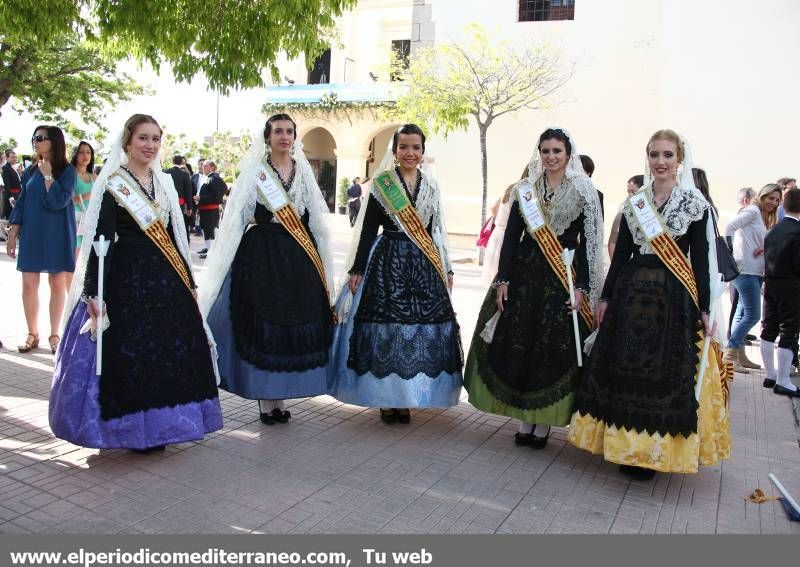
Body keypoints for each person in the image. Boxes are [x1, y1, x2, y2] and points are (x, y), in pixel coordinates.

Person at [49, 114, 222, 452]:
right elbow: (101, 240)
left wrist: (188, 280)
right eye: (143, 138)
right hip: (126, 279)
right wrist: (92, 292)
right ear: (127, 141)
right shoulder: (114, 183)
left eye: (156, 139)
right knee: (130, 354)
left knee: (165, 354)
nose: (150, 145)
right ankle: (129, 431)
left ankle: (163, 428)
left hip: (165, 279)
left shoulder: (166, 182)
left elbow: (175, 238)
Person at [568, 129, 730, 479]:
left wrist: (705, 307)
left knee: (663, 371)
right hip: (630, 293)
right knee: (624, 368)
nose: (660, 162)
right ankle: (625, 447)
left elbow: (701, 261)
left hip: (672, 299)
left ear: (679, 160)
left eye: (667, 155)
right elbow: (621, 256)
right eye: (654, 154)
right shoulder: (634, 204)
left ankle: (652, 452)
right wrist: (607, 297)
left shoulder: (695, 206)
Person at [464, 128, 604, 448]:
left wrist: (582, 286)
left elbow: (589, 246)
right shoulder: (525, 190)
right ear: (538, 153)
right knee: (522, 345)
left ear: (569, 154)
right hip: (526, 275)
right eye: (545, 151)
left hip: (561, 277)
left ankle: (543, 423)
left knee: (551, 349)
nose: (551, 157)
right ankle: (525, 419)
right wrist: (503, 279)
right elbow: (512, 237)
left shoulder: (584, 190)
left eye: (557, 151)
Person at [201, 113, 335, 425]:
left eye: (289, 131)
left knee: (288, 325)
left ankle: (281, 399)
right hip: (261, 254)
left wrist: (322, 265)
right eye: (278, 131)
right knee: (264, 326)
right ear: (268, 136)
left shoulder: (303, 171)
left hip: (298, 256)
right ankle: (266, 402)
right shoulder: (256, 173)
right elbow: (237, 218)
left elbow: (314, 219)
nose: (284, 137)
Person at [334, 124, 463, 424]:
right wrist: (357, 267)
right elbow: (367, 228)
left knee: (415, 329)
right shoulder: (382, 185)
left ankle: (404, 398)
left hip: (422, 264)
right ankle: (386, 399)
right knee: (387, 330)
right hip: (387, 260)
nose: (410, 153)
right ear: (394, 151)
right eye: (404, 147)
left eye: (416, 147)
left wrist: (447, 266)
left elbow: (437, 231)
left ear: (422, 151)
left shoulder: (431, 186)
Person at [5, 126, 76, 354]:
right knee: (28, 285)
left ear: (54, 141)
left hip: (58, 233)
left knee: (56, 283)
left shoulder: (67, 171)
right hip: (33, 233)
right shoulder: (30, 170)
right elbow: (23, 201)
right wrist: (13, 232)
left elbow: (58, 202)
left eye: (40, 138)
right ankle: (32, 333)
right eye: (34, 137)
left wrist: (48, 176)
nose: (35, 141)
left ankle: (54, 334)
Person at [723, 183, 781, 373]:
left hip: (755, 272)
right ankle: (729, 355)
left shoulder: (761, 216)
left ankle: (739, 357)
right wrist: (730, 251)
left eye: (777, 200)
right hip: (745, 271)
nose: (773, 202)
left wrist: (766, 248)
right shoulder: (753, 211)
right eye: (770, 198)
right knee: (753, 315)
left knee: (741, 314)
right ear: (762, 196)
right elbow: (730, 226)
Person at [760, 188, 800, 397]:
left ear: (784, 205)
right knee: (788, 330)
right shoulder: (797, 231)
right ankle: (784, 381)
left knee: (768, 329)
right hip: (790, 286)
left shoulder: (774, 230)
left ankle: (771, 375)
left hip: (771, 283)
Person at [480, 166, 529, 288]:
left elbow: (493, 208)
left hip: (497, 233)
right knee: (502, 273)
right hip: (508, 235)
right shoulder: (523, 192)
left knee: (493, 274)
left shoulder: (510, 188)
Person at [727, 187, 755, 340]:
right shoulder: (744, 215)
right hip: (741, 266)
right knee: (737, 304)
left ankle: (738, 336)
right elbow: (729, 229)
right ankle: (733, 336)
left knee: (739, 306)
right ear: (746, 200)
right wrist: (729, 250)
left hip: (740, 264)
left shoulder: (743, 215)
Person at [195, 160, 226, 259]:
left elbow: (216, 195)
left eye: (205, 166)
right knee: (206, 230)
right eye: (202, 166)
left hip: (210, 210)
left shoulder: (214, 178)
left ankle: (211, 252)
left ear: (212, 167)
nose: (202, 167)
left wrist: (201, 198)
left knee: (209, 231)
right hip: (205, 209)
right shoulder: (210, 178)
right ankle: (208, 249)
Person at [608, 175, 644, 258]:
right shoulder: (624, 210)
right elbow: (613, 241)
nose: (630, 195)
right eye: (628, 192)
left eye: (633, 192)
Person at [71, 141, 96, 257]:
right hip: (74, 220)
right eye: (81, 152)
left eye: (88, 152)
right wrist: (92, 193)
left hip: (89, 222)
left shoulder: (93, 176)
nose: (85, 155)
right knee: (73, 260)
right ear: (75, 154)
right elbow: (68, 200)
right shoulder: (70, 175)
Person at [164, 155, 194, 243]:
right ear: (181, 162)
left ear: (172, 162)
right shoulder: (185, 175)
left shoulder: (165, 172)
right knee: (180, 225)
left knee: (169, 225)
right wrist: (189, 208)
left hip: (167, 203)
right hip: (180, 204)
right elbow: (188, 192)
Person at [2, 149, 22, 221]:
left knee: (15, 216)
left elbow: (18, 181)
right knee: (10, 217)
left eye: (15, 157)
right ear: (7, 158)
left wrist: (20, 173)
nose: (15, 159)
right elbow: (7, 185)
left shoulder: (13, 167)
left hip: (17, 194)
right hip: (11, 196)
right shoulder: (5, 168)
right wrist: (11, 198)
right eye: (12, 157)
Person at [190, 158, 206, 236]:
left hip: (206, 201)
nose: (202, 166)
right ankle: (197, 230)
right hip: (194, 201)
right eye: (200, 164)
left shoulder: (210, 177)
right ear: (198, 165)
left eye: (203, 164)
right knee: (196, 217)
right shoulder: (194, 177)